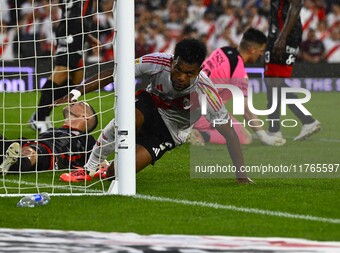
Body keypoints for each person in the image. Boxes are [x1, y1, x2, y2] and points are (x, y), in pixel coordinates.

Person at [56, 39, 253, 184]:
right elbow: (116, 71)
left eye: (189, 73)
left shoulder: (206, 92)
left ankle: (107, 168)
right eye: (178, 69)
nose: (182, 78)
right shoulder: (157, 62)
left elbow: (230, 134)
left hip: (170, 130)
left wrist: (241, 175)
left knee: (116, 175)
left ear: (199, 70)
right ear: (172, 62)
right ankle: (89, 168)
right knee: (128, 118)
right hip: (150, 105)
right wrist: (76, 91)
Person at [190, 28, 286, 146]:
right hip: (199, 111)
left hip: (188, 101)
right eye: (260, 51)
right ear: (252, 50)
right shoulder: (239, 72)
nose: (261, 54)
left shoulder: (223, 50)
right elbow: (245, 109)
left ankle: (192, 128)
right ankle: (201, 135)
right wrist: (263, 136)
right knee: (245, 137)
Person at [29, 0, 100, 133]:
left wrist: (87, 35)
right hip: (71, 27)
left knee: (76, 79)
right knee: (62, 70)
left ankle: (43, 113)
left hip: (79, 29)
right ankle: (39, 117)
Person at [0, 102, 105, 181]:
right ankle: (9, 159)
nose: (74, 101)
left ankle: (13, 164)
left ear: (86, 117)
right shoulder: (55, 129)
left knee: (31, 151)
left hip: (51, 154)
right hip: (26, 143)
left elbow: (101, 163)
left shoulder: (87, 138)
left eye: (81, 104)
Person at [264, 0, 321, 141]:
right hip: (277, 31)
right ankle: (274, 130)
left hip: (285, 34)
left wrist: (282, 37)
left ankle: (308, 121)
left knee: (274, 81)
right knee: (271, 80)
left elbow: (296, 5)